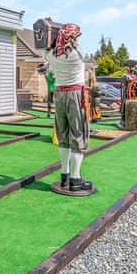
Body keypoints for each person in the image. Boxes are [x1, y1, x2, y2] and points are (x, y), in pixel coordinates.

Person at [38, 20, 92, 193]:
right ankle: (75, 179)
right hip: (75, 95)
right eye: (76, 36)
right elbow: (77, 59)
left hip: (60, 95)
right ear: (72, 38)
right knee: (78, 135)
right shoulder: (76, 55)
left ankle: (64, 175)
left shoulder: (51, 55)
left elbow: (47, 55)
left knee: (63, 135)